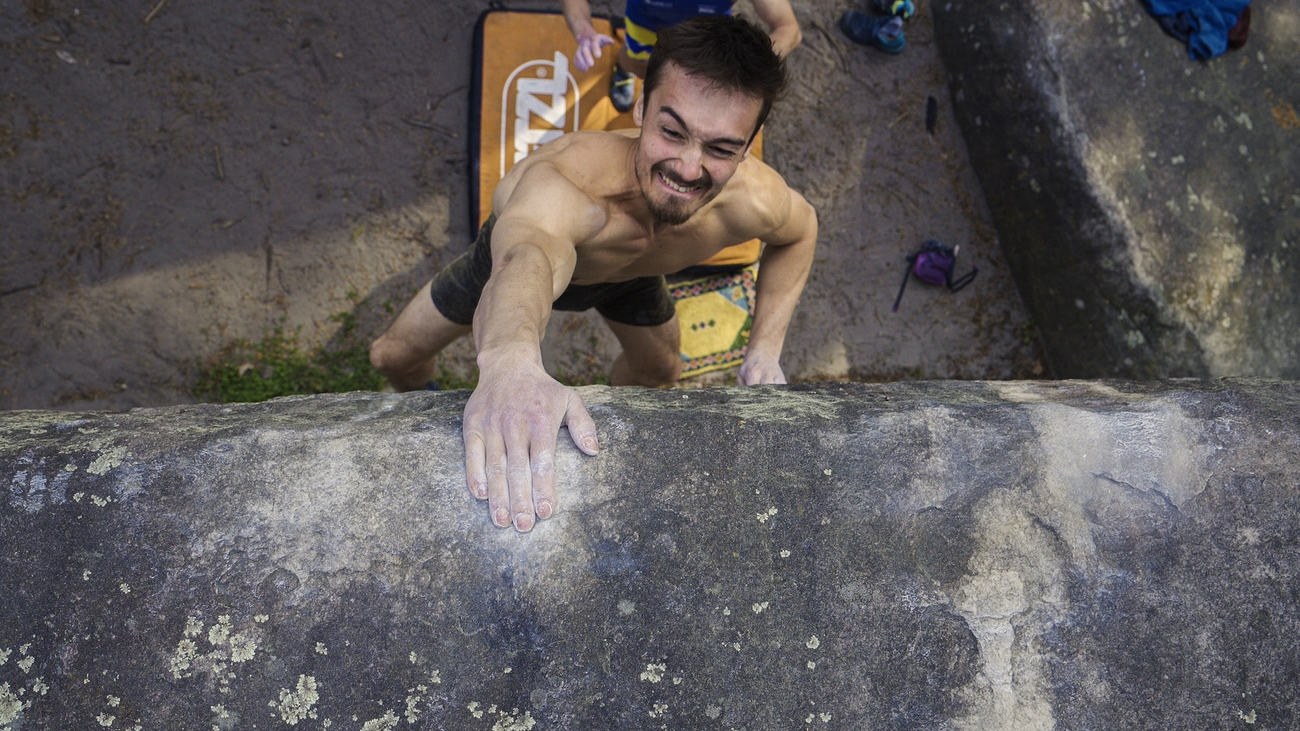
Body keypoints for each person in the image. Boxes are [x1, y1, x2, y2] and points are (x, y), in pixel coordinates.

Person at [369, 16, 818, 534]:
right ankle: (431, 406)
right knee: (392, 357)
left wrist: (764, 350)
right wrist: (511, 361)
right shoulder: (565, 186)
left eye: (720, 149)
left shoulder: (754, 200)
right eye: (672, 132)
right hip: (517, 270)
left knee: (659, 372)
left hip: (632, 275)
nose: (688, 170)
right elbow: (526, 259)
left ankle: (605, 422)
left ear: (748, 146)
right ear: (642, 108)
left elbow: (801, 232)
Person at [561, 0, 802, 112]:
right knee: (635, 61)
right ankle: (624, 72)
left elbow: (788, 29)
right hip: (645, 25)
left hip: (705, 39)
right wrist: (583, 31)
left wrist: (743, 65)